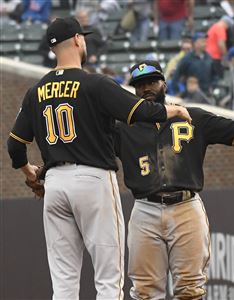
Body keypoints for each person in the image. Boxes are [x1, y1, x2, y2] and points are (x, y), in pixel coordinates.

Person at [6, 17, 192, 300]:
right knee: (108, 279)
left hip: (55, 184)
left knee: (64, 283)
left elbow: (14, 146)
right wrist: (174, 111)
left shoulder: (36, 91)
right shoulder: (94, 83)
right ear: (78, 40)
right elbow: (141, 111)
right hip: (93, 181)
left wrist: (30, 173)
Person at [114, 59, 234, 300]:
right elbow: (89, 145)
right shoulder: (124, 127)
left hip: (186, 208)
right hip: (145, 209)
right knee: (144, 291)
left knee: (190, 289)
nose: (146, 88)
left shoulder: (192, 116)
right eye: (140, 84)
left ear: (164, 84)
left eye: (152, 82)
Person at [172, 32, 215, 96]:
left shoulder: (209, 58)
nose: (205, 44)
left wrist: (213, 87)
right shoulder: (187, 59)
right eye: (202, 41)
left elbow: (215, 75)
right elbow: (176, 76)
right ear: (195, 43)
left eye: (205, 41)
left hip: (206, 94)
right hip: (191, 95)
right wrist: (178, 91)